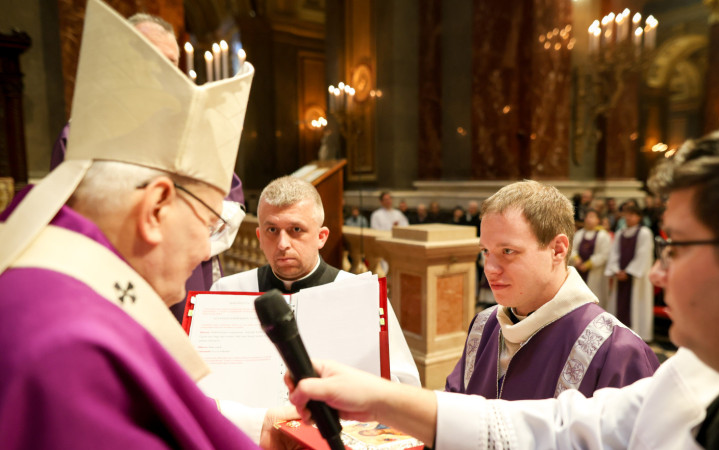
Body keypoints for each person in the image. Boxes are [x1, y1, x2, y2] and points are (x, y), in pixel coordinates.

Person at [286, 108, 719, 449]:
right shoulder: (692, 378)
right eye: (484, 253)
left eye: (674, 246)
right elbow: (548, 430)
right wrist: (377, 398)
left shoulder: (623, 351)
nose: (658, 271)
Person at [0, 1, 266, 447]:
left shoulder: (46, 280)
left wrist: (259, 428)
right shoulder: (74, 351)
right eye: (206, 219)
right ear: (156, 207)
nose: (208, 250)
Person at [47, 11, 246, 324]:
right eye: (150, 57)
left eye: (170, 63)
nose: (163, 73)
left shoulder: (193, 132)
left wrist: (189, 228)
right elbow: (64, 218)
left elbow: (230, 202)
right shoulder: (80, 134)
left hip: (185, 277)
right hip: (115, 279)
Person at [445, 181, 658, 401]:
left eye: (508, 251)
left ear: (557, 250)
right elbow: (454, 402)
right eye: (486, 251)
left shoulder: (616, 351)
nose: (490, 269)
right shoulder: (483, 326)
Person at [211, 176, 420, 387]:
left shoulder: (364, 295)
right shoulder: (227, 292)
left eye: (296, 230)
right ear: (259, 236)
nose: (282, 244)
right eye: (272, 230)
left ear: (321, 237)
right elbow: (209, 378)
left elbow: (404, 384)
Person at [605, 201, 655, 341]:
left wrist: (628, 272)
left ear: (639, 217)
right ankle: (618, 335)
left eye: (632, 215)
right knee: (618, 306)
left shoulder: (645, 233)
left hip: (635, 279)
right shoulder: (620, 233)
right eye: (627, 215)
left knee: (635, 309)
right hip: (620, 276)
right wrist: (616, 270)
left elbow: (643, 255)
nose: (628, 217)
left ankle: (639, 335)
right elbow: (614, 253)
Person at [570, 209, 612, 309]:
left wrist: (588, 264)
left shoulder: (603, 235)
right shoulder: (579, 234)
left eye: (592, 217)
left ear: (598, 220)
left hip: (595, 274)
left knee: (594, 301)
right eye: (588, 217)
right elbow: (571, 248)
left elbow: (604, 255)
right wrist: (576, 258)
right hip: (578, 271)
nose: (589, 219)